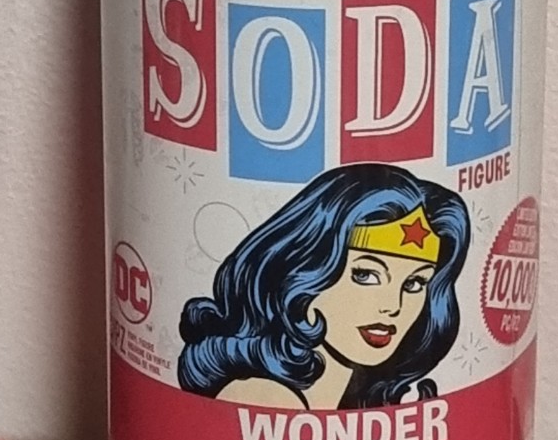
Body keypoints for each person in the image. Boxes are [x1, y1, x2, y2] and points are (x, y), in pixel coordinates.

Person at [178, 163, 470, 410]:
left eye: (415, 283)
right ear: (302, 273)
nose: (393, 306)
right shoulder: (267, 396)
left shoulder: (355, 396)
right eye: (365, 275)